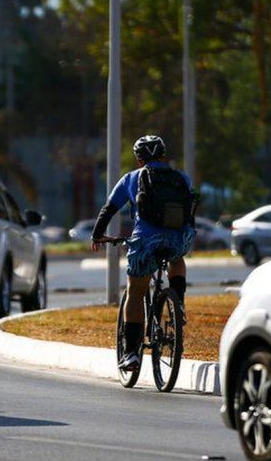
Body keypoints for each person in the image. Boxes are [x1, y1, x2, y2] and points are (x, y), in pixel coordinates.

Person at [91, 135, 196, 372]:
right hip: (180, 238)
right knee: (176, 259)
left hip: (146, 240)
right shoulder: (181, 177)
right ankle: (178, 304)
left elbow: (109, 209)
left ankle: (131, 354)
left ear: (139, 159)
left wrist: (97, 235)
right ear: (164, 155)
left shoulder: (132, 178)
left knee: (136, 292)